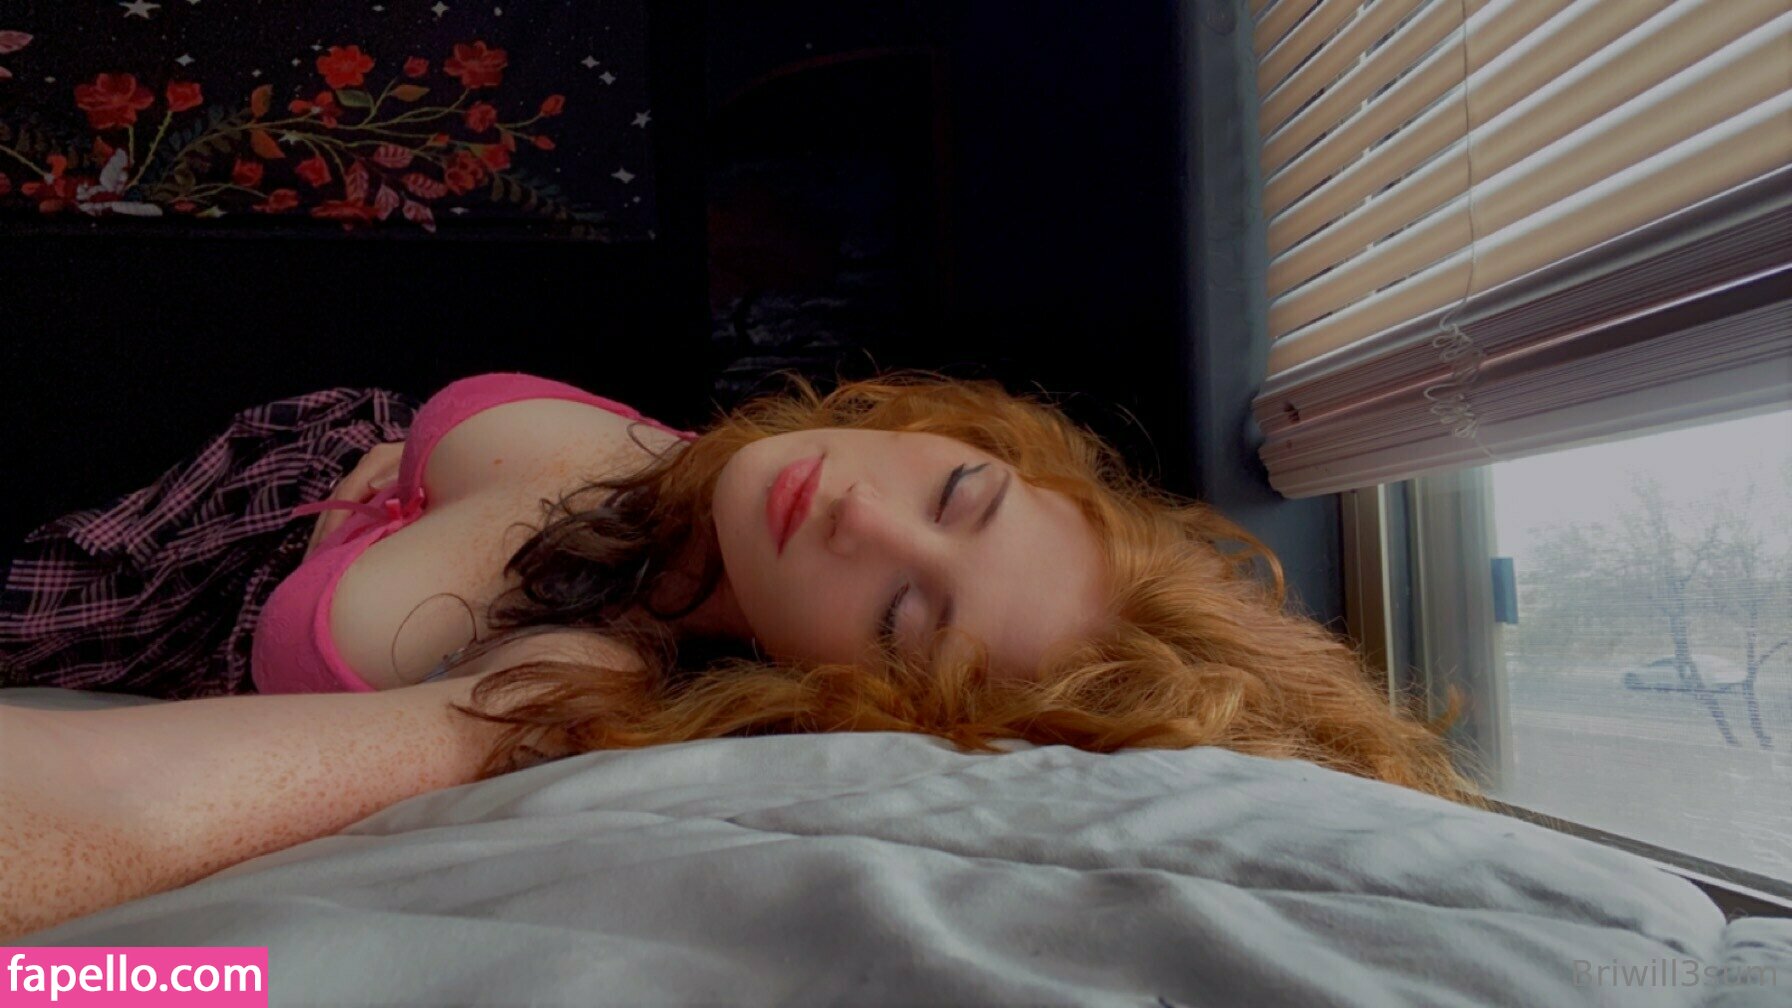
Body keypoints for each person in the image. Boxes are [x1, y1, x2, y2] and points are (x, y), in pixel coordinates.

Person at [0, 368, 1477, 939]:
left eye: (905, 612)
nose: (859, 514)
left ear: (863, 698)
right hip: (204, 469)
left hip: (96, 599)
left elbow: (109, 815)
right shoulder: (737, 477)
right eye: (960, 492)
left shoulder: (587, 680)